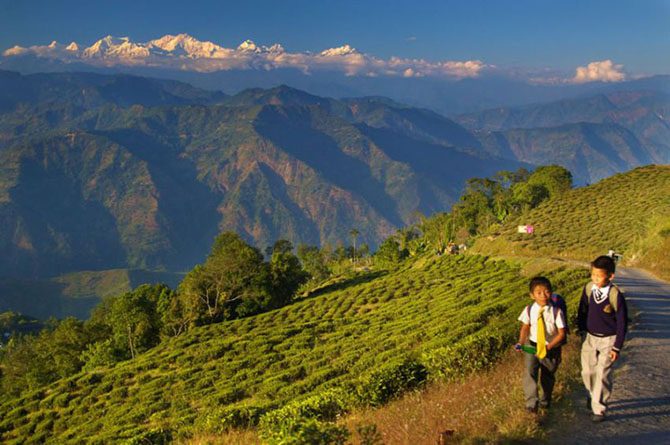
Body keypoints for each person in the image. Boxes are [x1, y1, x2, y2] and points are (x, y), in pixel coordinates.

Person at [577, 255, 628, 422]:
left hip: (609, 339)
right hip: (590, 337)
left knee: (602, 374)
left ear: (610, 276)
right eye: (593, 275)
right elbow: (582, 310)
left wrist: (617, 347)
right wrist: (582, 330)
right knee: (588, 371)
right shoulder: (589, 288)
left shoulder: (615, 295)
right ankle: (592, 395)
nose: (595, 278)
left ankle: (599, 408)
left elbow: (622, 322)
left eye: (599, 275)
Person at [515, 276, 566, 413]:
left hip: (551, 348)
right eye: (539, 293)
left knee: (547, 375)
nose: (543, 295)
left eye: (547, 292)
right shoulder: (529, 309)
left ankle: (545, 400)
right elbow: (525, 327)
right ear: (532, 295)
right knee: (529, 372)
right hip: (532, 345)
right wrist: (521, 341)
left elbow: (561, 333)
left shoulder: (556, 312)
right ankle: (531, 404)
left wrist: (548, 347)